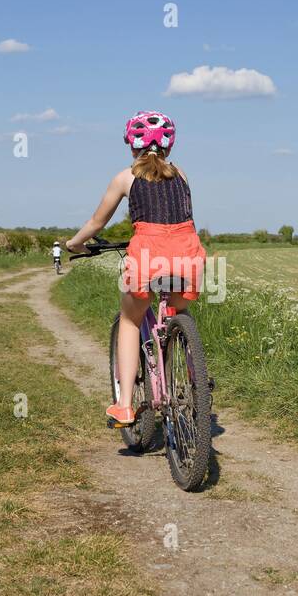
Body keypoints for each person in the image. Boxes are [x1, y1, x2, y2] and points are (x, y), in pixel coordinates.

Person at [65, 111, 206, 425]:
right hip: (187, 253)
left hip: (147, 254)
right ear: (169, 146)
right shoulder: (180, 174)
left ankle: (125, 405)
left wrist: (74, 244)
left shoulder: (125, 177)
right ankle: (192, 375)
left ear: (132, 144)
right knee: (178, 314)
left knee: (131, 321)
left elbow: (96, 222)